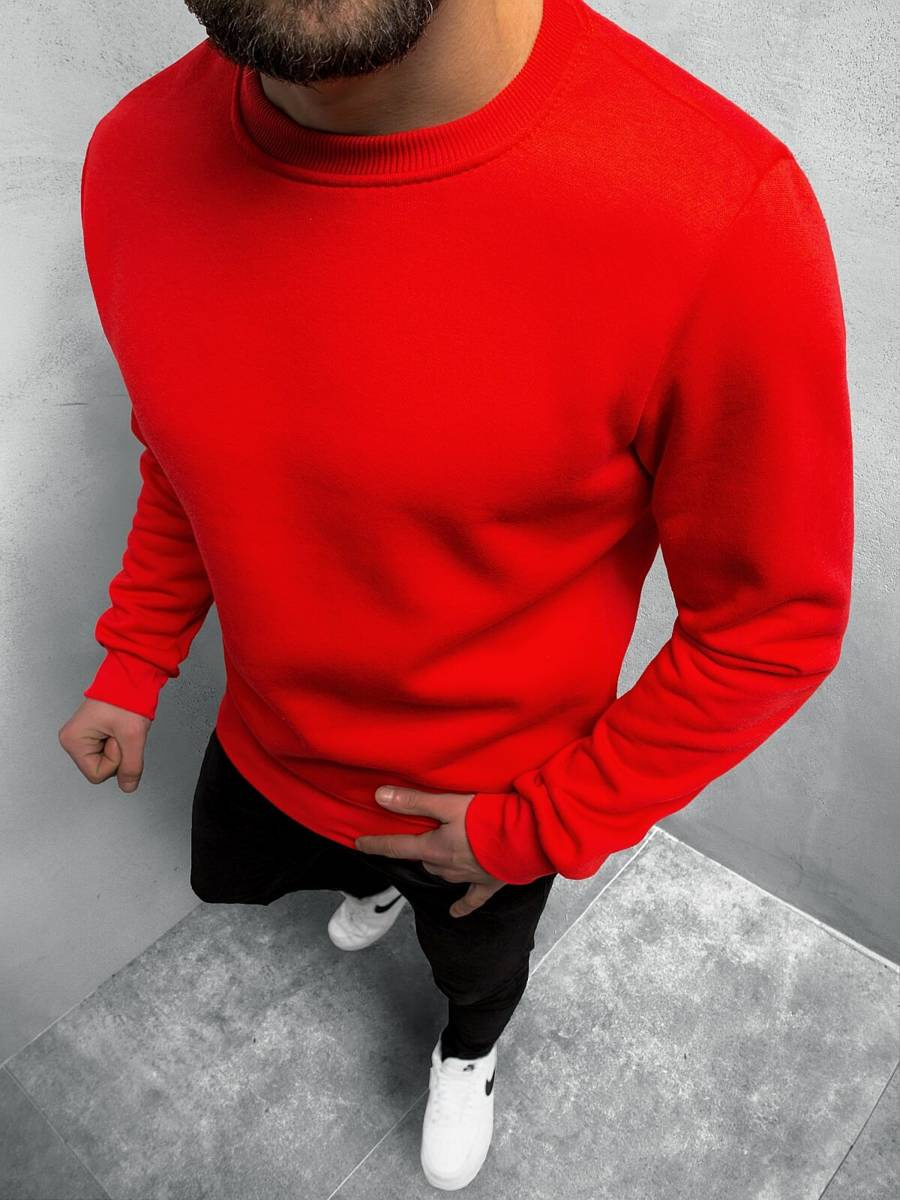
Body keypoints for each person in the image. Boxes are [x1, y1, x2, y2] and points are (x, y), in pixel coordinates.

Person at [58, 0, 854, 1190]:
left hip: (498, 794)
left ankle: (469, 1051)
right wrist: (135, 658)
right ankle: (374, 882)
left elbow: (770, 627)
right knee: (281, 873)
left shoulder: (714, 210)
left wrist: (540, 825)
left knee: (476, 972)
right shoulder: (132, 155)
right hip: (272, 742)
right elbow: (185, 454)